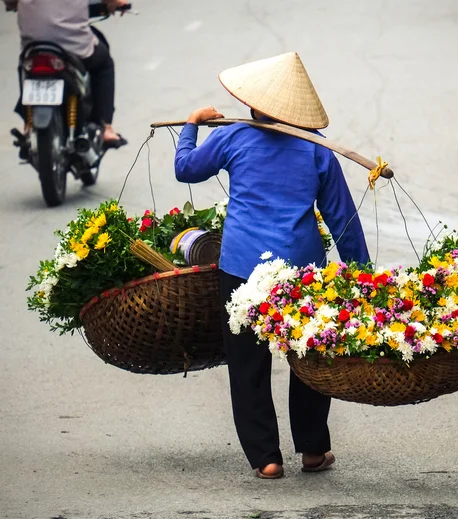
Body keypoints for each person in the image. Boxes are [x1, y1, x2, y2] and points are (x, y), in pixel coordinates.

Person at [174, 52, 370, 479]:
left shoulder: (234, 138)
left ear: (254, 104)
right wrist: (363, 275)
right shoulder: (319, 151)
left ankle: (266, 458)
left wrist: (191, 123)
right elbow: (343, 220)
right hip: (302, 272)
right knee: (310, 358)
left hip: (242, 269)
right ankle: (314, 451)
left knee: (247, 364)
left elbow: (185, 169)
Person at [4, 0, 128, 148]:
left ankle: (28, 125)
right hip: (74, 46)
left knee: (25, 66)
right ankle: (105, 127)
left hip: (34, 46)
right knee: (104, 64)